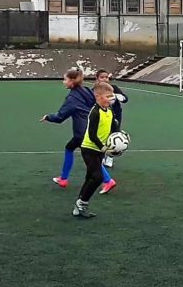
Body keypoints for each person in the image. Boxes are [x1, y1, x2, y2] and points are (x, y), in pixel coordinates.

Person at [40, 68, 95, 188]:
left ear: (72, 81)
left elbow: (60, 117)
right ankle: (63, 178)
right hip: (91, 128)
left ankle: (108, 180)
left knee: (90, 159)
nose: (63, 82)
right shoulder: (87, 91)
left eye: (65, 79)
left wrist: (48, 117)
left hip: (82, 132)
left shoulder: (72, 98)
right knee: (70, 148)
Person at [73, 82, 120, 219]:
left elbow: (114, 127)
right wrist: (104, 148)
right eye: (107, 96)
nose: (111, 99)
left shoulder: (109, 111)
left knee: (90, 177)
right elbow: (92, 135)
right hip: (89, 149)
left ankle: (79, 205)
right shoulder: (95, 112)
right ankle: (82, 203)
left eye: (111, 96)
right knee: (98, 177)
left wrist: (120, 136)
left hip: (99, 151)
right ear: (98, 96)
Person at [95, 69, 128, 171]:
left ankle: (110, 157)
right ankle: (100, 156)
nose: (105, 79)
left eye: (106, 77)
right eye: (102, 77)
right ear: (97, 79)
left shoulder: (114, 88)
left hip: (115, 116)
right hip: (101, 116)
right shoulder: (95, 90)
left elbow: (125, 99)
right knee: (101, 135)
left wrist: (118, 96)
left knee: (114, 136)